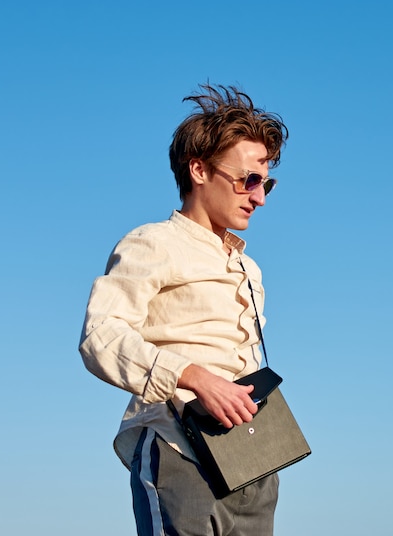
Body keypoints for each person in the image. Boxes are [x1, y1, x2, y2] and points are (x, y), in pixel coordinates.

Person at [79, 83, 289, 535]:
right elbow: (101, 337)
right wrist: (193, 376)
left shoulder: (248, 267)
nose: (260, 197)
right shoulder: (152, 243)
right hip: (180, 453)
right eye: (249, 180)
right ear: (198, 169)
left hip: (254, 463)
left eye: (266, 182)